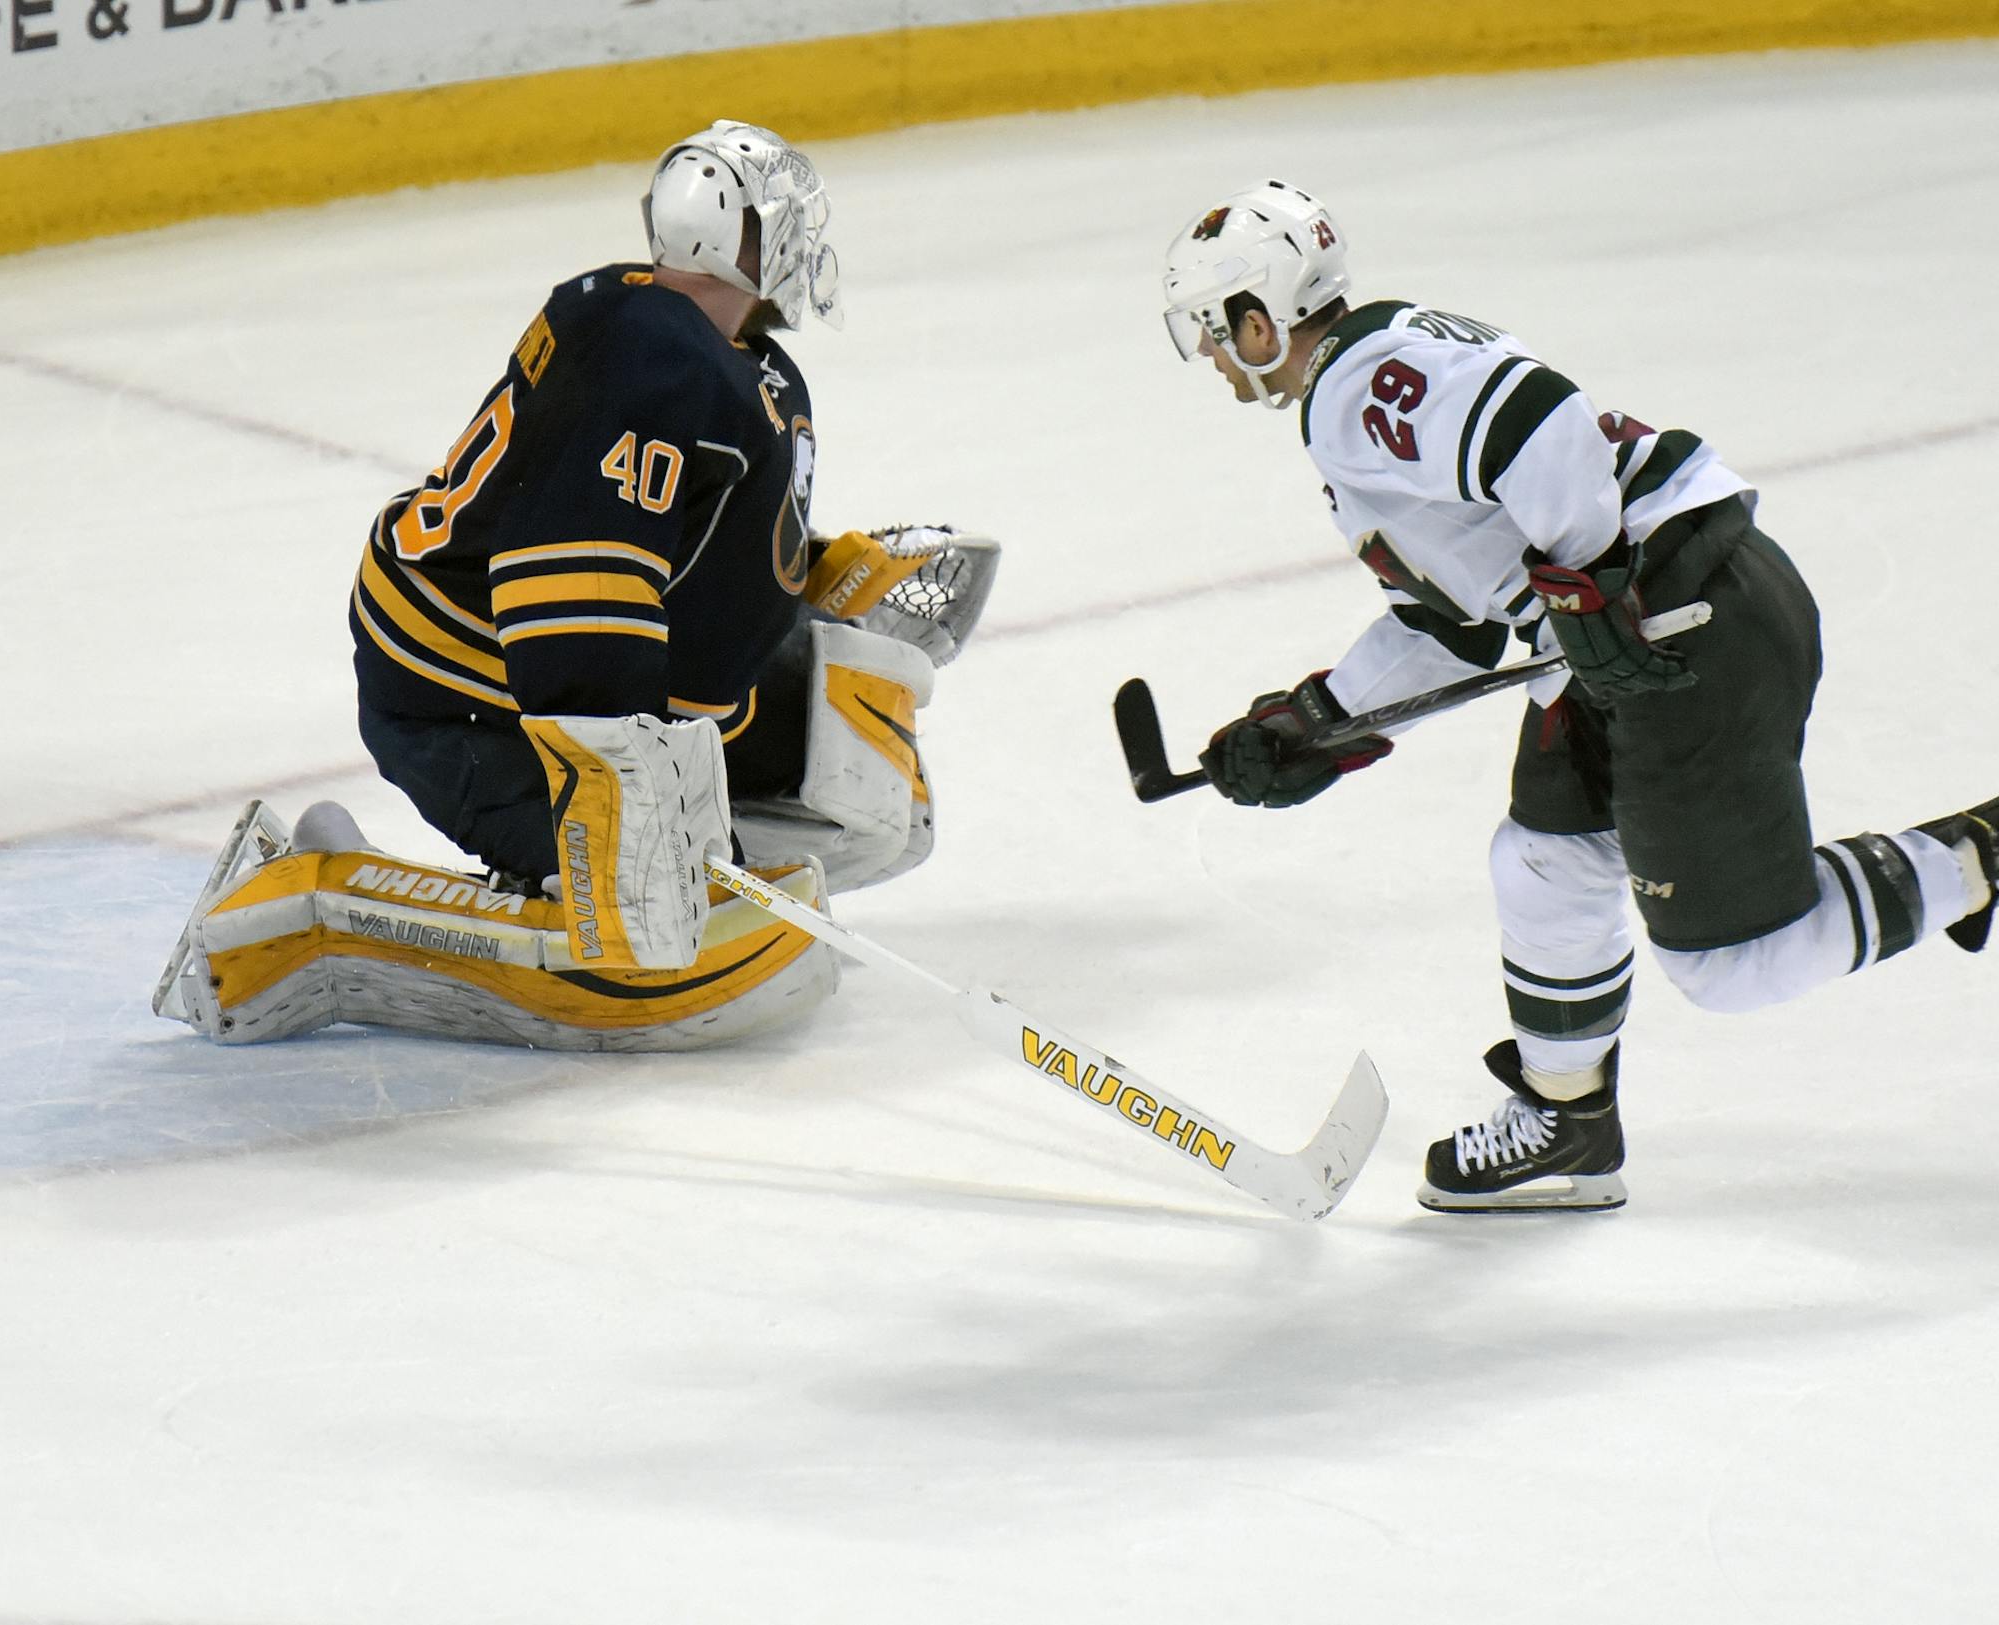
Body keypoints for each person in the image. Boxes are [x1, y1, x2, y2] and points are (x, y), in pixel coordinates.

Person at [1156, 179, 1996, 1213]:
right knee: (1544, 859)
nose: (1209, 356)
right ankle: (1570, 1119)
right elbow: (1456, 620)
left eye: (1212, 329)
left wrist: (1591, 579)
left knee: (1738, 965)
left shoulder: (1356, 382)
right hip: (1647, 632)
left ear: (1258, 317)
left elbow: (1537, 418)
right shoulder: (1370, 378)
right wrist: (1319, 718)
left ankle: (1977, 860)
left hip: (1685, 626)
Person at [155, 120, 997, 1054]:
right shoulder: (648, 352)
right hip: (467, 688)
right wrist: (621, 774)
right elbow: (573, 572)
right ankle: (319, 898)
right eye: (780, 223)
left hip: (591, 675)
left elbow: (687, 545)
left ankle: (652, 847)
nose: (801, 244)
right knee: (642, 937)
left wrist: (822, 582)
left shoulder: (725, 362)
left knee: (869, 804)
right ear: (732, 239)